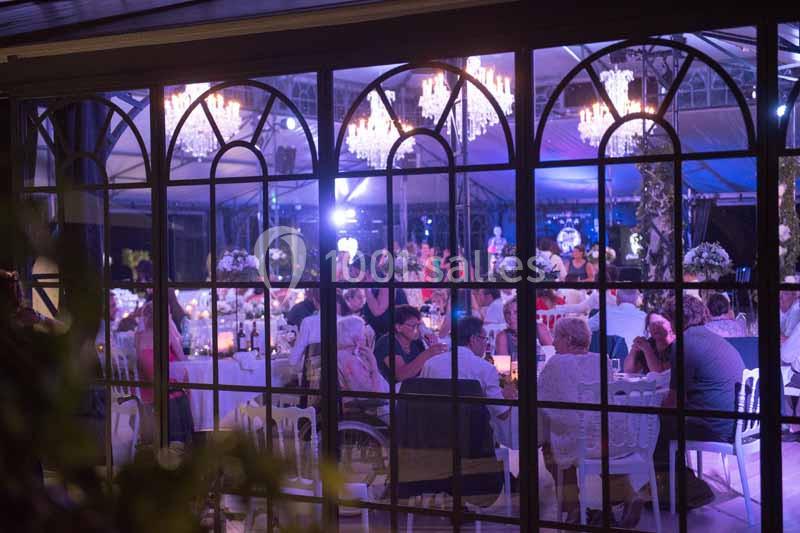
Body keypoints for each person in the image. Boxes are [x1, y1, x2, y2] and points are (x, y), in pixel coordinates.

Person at [537, 316, 642, 526]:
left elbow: (543, 399)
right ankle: (628, 496)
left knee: (551, 448)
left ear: (567, 339)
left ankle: (573, 509)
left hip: (582, 440)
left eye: (556, 338)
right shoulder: (601, 360)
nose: (553, 342)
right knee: (596, 444)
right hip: (612, 437)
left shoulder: (556, 362)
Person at [655, 295, 745, 494]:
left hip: (716, 427)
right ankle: (680, 484)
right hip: (735, 422)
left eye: (669, 320)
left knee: (657, 422)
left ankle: (671, 490)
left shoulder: (685, 344)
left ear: (677, 320)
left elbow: (673, 402)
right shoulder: (713, 338)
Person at [420, 316, 513, 420]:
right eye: (484, 339)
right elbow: (502, 414)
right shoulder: (486, 369)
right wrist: (508, 396)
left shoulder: (430, 364)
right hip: (473, 432)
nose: (486, 345)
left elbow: (422, 404)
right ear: (473, 339)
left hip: (433, 430)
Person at [135, 302, 193, 444]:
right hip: (153, 387)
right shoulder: (148, 335)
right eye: (167, 315)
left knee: (182, 397)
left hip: (157, 385)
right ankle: (178, 445)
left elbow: (181, 361)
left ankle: (182, 445)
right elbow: (146, 368)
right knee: (177, 399)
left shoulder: (152, 334)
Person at [373, 305, 448, 383]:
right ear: (398, 327)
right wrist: (427, 353)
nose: (417, 329)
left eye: (418, 325)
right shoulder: (387, 342)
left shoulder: (415, 342)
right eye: (412, 326)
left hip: (414, 387)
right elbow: (400, 376)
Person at [337, 316, 389, 395]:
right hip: (373, 405)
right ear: (355, 337)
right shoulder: (350, 359)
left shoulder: (350, 355)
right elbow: (372, 394)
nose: (365, 338)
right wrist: (373, 364)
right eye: (363, 334)